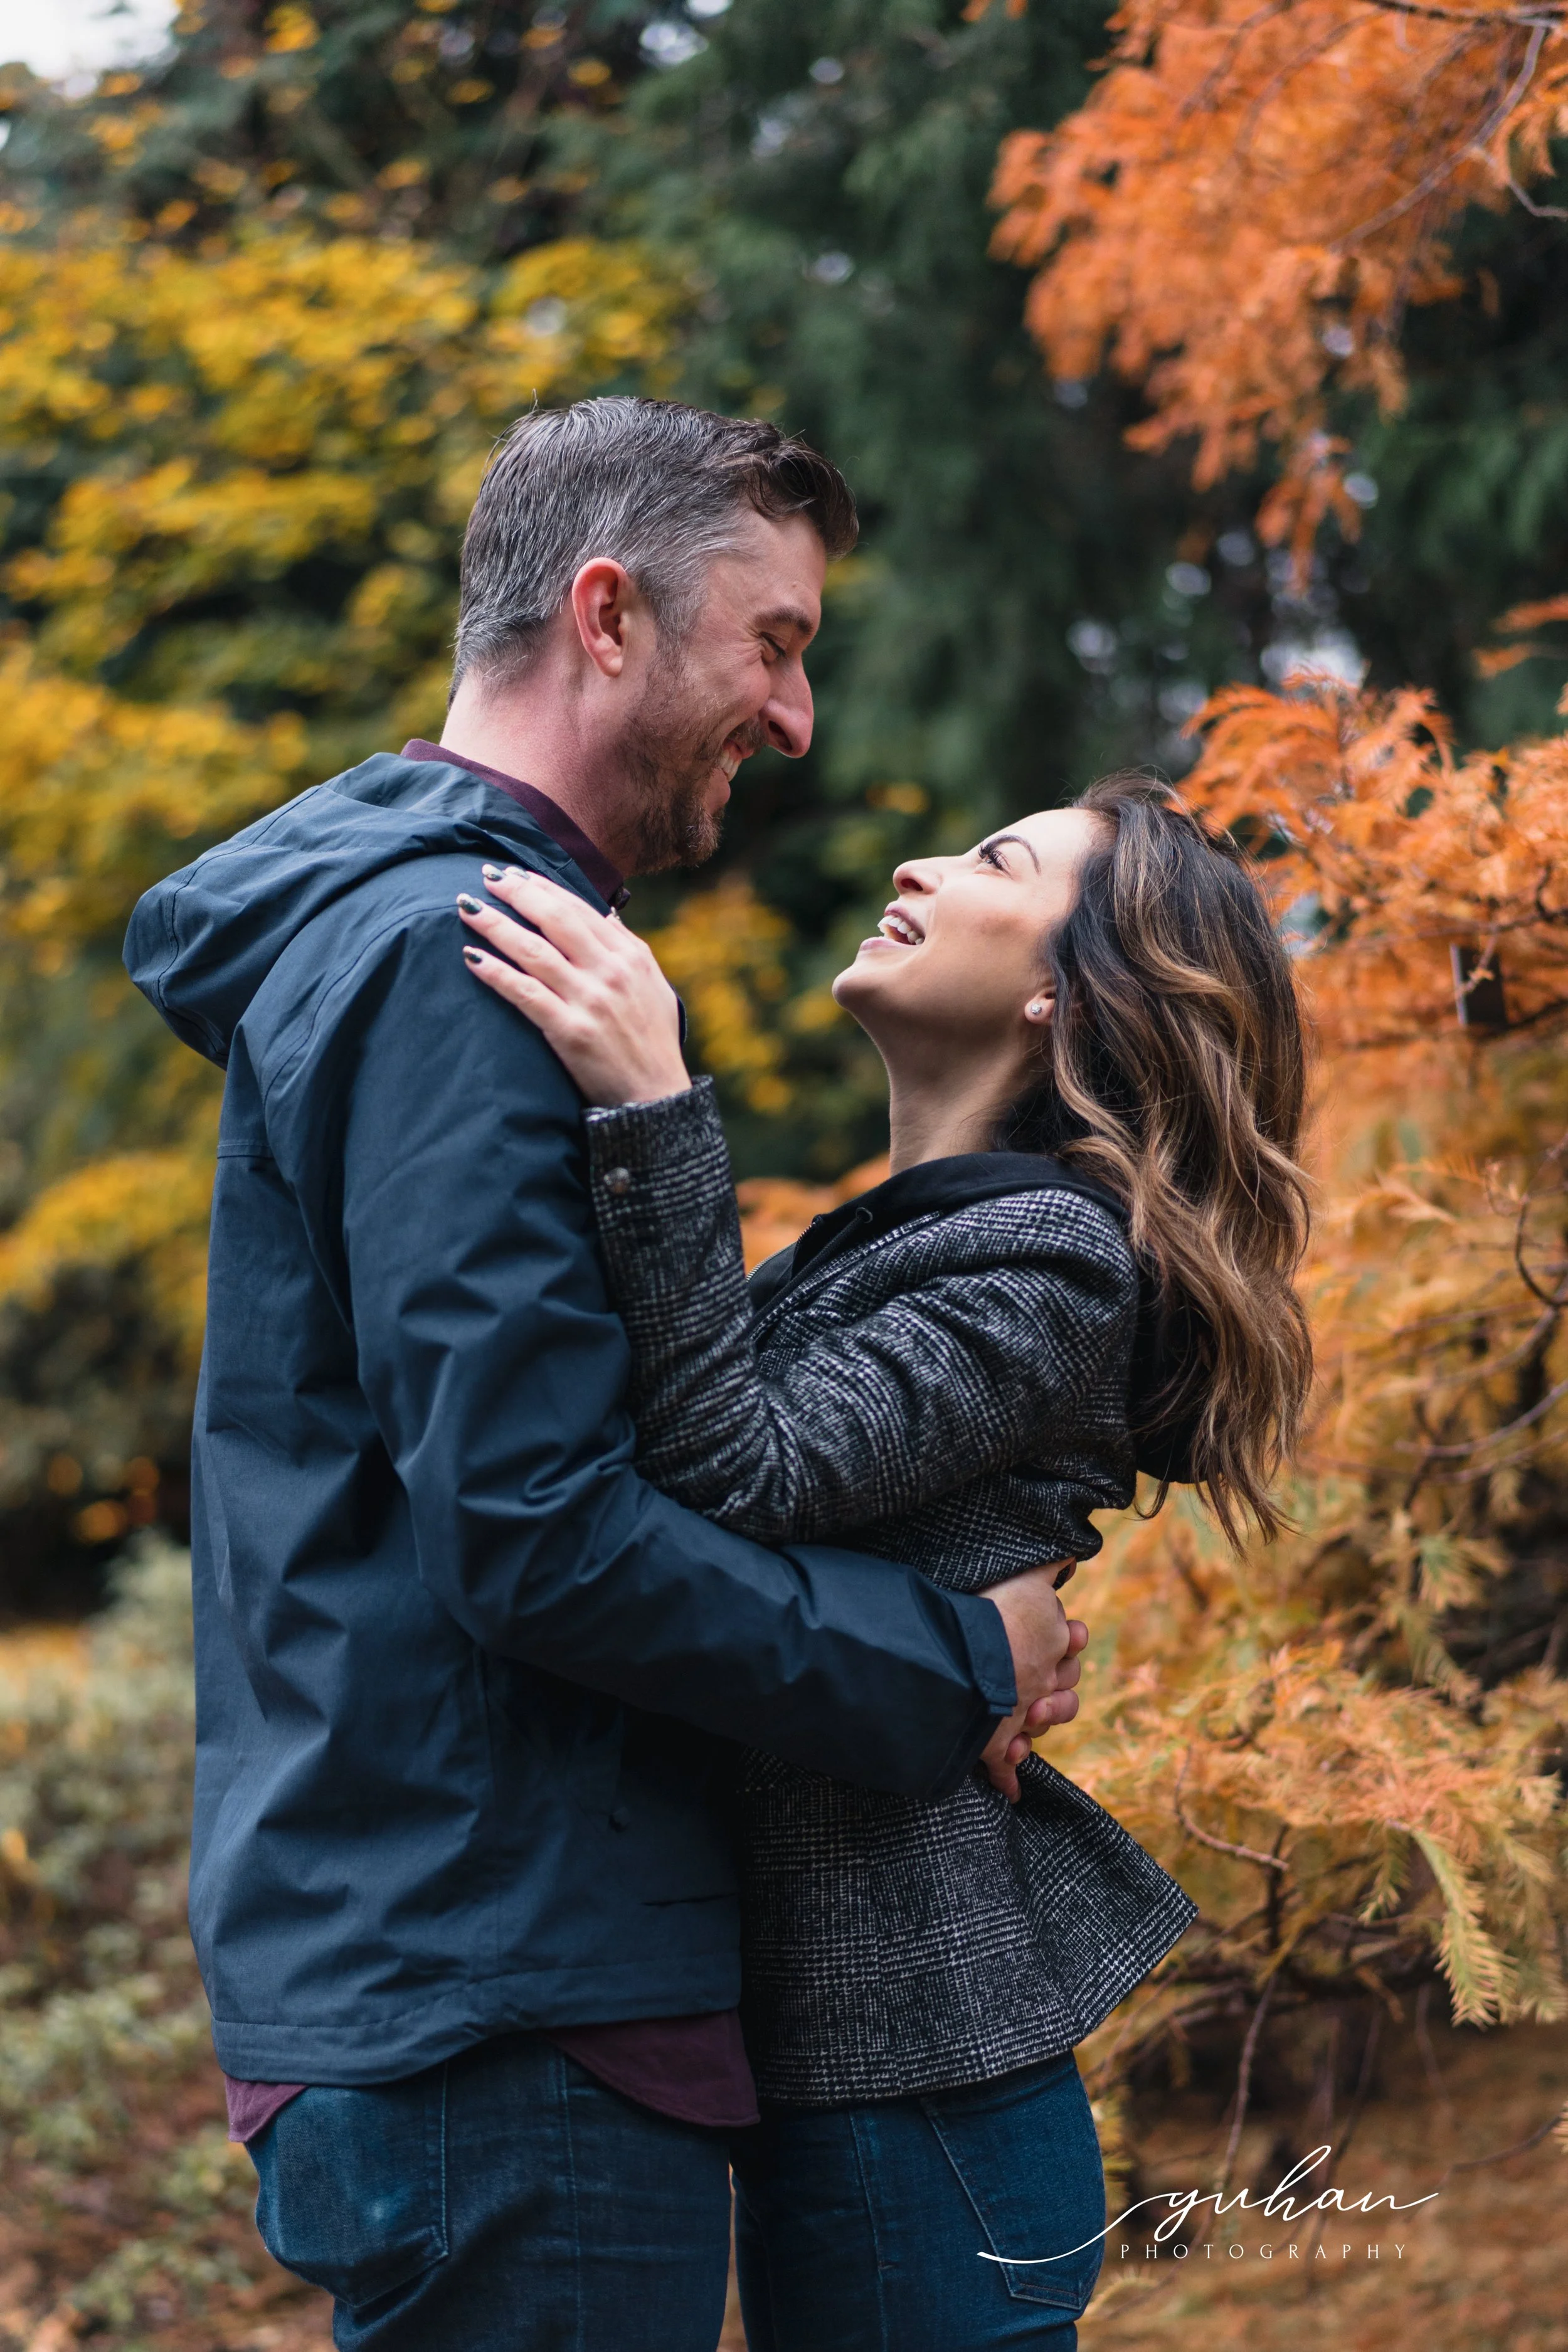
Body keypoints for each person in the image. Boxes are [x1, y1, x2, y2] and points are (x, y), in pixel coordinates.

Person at [123, 397, 1087, 2352]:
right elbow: (538, 1533)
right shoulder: (460, 959)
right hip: (504, 1991)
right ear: (608, 616)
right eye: (778, 642)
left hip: (470, 1964)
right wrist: (954, 1662)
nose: (797, 719)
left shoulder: (428, 939)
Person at [458, 771, 1314, 2351]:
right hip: (847, 2060)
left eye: (996, 859)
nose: (918, 859)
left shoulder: (1051, 1255)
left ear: (1066, 990)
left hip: (915, 2072)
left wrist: (653, 1104)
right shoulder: (908, 1237)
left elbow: (743, 1466)